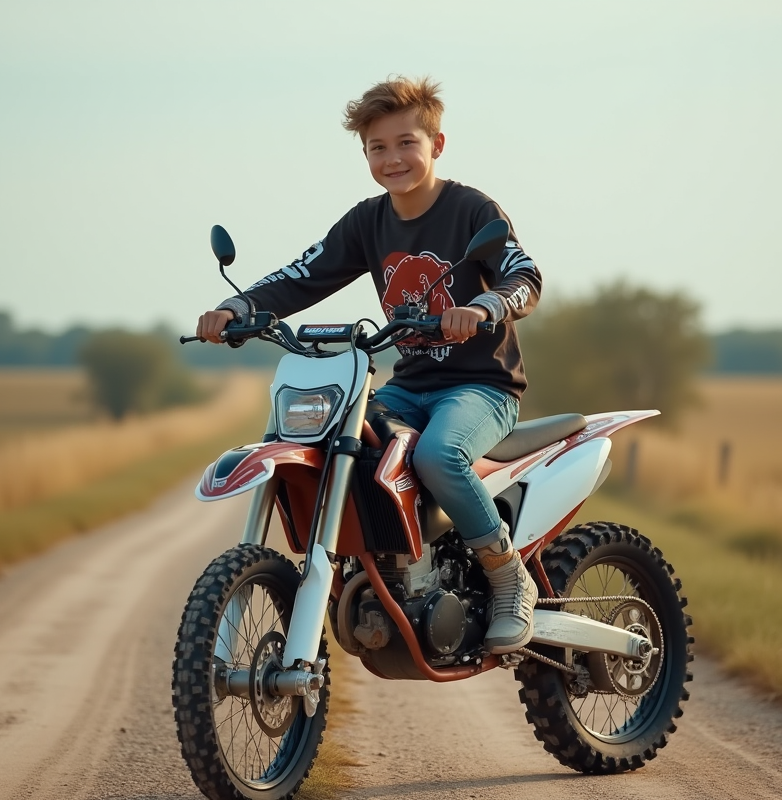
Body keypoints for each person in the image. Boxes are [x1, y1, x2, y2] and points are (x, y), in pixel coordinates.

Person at [197, 76, 542, 655]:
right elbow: (304, 274)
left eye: (406, 143)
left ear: (437, 144)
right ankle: (378, 573)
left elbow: (524, 278)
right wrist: (240, 306)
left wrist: (483, 306)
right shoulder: (367, 221)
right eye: (377, 148)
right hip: (409, 386)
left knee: (437, 454)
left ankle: (508, 574)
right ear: (365, 156)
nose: (393, 159)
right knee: (342, 444)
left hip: (481, 387)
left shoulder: (471, 211)